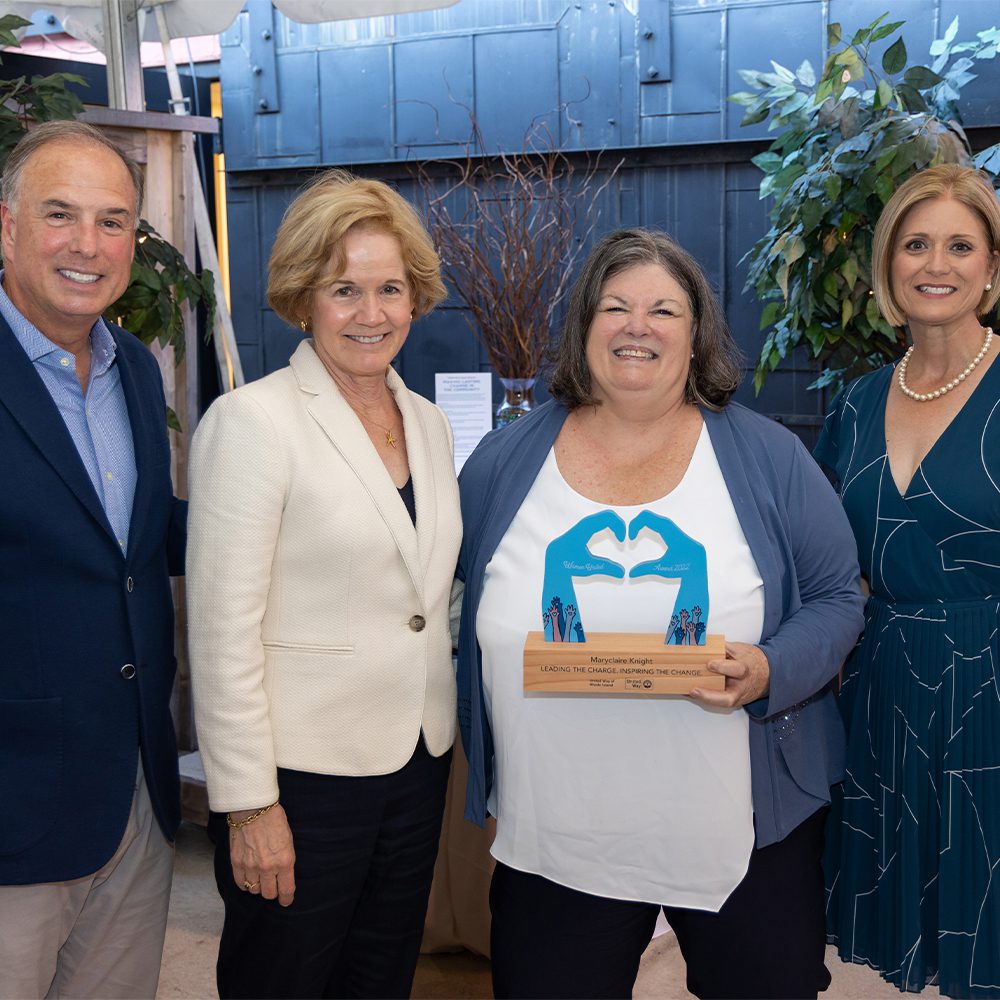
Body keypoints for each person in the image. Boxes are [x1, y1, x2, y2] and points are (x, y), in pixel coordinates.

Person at [454, 227, 866, 1000]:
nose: (637, 326)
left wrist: (772, 668)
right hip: (556, 842)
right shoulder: (502, 464)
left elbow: (838, 596)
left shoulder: (769, 457)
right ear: (584, 327)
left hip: (741, 839)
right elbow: (447, 596)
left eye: (663, 310)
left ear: (697, 332)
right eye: (616, 306)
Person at [187, 169, 462, 1000]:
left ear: (415, 299)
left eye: (389, 289)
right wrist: (246, 805)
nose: (371, 313)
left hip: (416, 766)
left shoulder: (430, 422)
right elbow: (221, 629)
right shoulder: (252, 423)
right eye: (345, 289)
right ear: (303, 297)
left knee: (379, 980)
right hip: (299, 785)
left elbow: (433, 595)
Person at [0, 121, 186, 998]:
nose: (88, 244)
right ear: (5, 226)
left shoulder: (135, 374)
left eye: (113, 221)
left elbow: (137, 544)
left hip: (135, 799)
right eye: (60, 214)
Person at [818, 165, 1000, 998]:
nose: (938, 263)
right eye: (917, 243)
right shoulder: (854, 405)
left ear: (991, 271)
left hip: (991, 692)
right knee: (896, 959)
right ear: (890, 266)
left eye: (961, 245)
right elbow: (819, 564)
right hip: (884, 690)